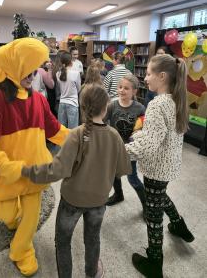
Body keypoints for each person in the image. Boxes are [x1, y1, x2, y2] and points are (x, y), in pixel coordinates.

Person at [0, 38, 69, 277]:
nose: (34, 73)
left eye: (35, 67)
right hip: (7, 172)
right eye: (28, 68)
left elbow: (55, 129)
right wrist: (1, 163)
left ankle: (20, 251)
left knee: (30, 217)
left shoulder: (38, 99)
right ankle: (10, 218)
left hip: (34, 170)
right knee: (7, 216)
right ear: (12, 70)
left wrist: (79, 138)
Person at [21, 84, 131, 278]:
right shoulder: (114, 136)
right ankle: (91, 273)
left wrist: (27, 171)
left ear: (82, 107)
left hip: (72, 201)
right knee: (93, 238)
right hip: (99, 201)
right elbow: (121, 170)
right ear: (106, 108)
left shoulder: (76, 135)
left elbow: (56, 170)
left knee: (62, 241)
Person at [125, 54, 195, 278]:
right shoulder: (176, 99)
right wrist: (141, 135)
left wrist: (119, 152)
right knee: (159, 195)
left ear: (162, 76)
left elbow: (149, 147)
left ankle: (154, 262)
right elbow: (160, 135)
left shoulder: (157, 104)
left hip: (156, 167)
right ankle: (178, 225)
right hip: (168, 164)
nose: (145, 78)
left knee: (154, 215)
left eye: (148, 73)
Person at [105, 75, 146, 216]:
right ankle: (118, 194)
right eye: (120, 87)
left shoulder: (140, 108)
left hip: (131, 150)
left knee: (132, 178)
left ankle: (147, 206)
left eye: (126, 88)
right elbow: (102, 123)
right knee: (114, 174)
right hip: (114, 148)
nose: (122, 90)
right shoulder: (112, 105)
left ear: (134, 91)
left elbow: (143, 128)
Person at [57, 51, 81, 129]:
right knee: (73, 131)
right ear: (71, 61)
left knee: (62, 130)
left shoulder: (58, 73)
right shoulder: (76, 73)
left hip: (62, 103)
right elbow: (78, 89)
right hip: (73, 103)